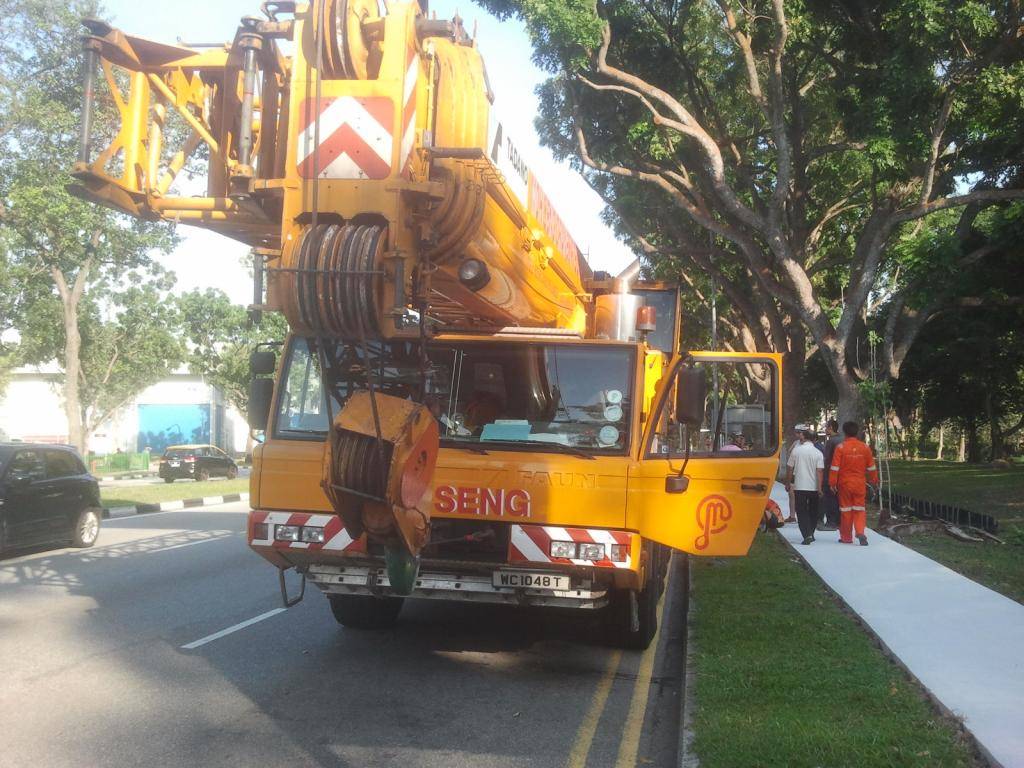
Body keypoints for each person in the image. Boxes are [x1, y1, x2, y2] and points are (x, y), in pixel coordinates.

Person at [828, 420, 880, 546]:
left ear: (845, 432)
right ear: (857, 432)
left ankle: (846, 537)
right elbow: (871, 467)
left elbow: (835, 468)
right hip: (859, 484)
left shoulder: (840, 448)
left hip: (844, 484)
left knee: (846, 511)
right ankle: (860, 532)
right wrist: (874, 481)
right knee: (859, 509)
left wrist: (832, 483)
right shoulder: (865, 448)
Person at [786, 429, 824, 545]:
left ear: (804, 438)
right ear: (814, 439)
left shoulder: (796, 451)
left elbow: (790, 468)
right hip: (814, 488)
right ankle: (811, 532)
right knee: (813, 511)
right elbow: (819, 472)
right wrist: (820, 488)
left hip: (800, 486)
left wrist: (788, 483)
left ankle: (806, 534)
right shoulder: (818, 453)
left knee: (801, 511)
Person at [819, 420, 842, 530]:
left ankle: (831, 522)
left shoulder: (831, 442)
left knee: (829, 498)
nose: (825, 429)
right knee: (838, 498)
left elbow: (826, 458)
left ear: (831, 428)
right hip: (841, 474)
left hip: (830, 473)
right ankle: (838, 522)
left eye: (826, 427)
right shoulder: (842, 440)